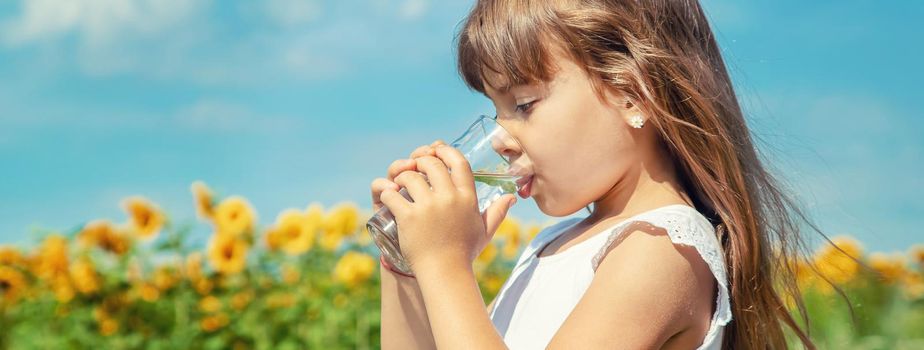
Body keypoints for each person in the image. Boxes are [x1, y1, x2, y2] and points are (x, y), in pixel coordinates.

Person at [371, 0, 820, 348]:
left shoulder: (661, 248)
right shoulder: (552, 244)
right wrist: (408, 264)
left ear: (633, 94)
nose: (501, 138)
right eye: (496, 111)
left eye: (523, 105)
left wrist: (445, 262)